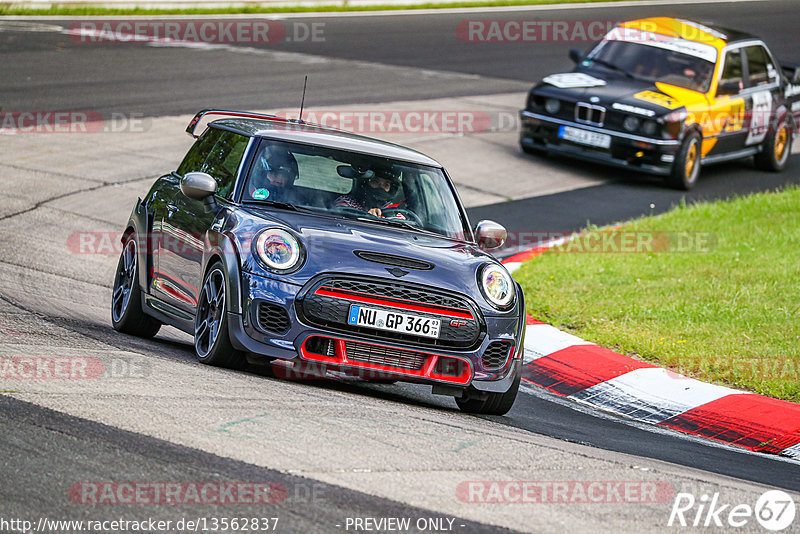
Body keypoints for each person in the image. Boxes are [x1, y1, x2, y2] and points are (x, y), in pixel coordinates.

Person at [333, 167, 402, 217]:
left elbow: (402, 226)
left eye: (386, 185)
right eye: (375, 182)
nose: (380, 187)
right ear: (365, 183)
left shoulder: (391, 209)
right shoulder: (346, 202)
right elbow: (339, 221)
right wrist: (366, 217)